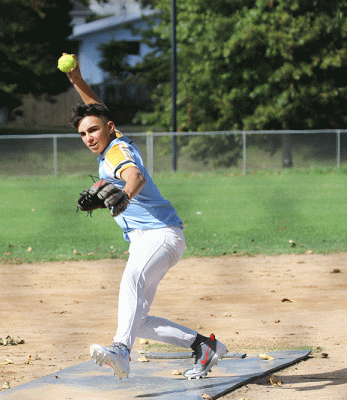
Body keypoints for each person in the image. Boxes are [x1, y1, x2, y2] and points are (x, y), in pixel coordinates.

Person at [63, 53, 228, 380]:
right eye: (83, 135)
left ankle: (121, 351)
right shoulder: (112, 143)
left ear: (109, 129)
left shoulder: (118, 151)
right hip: (142, 241)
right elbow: (97, 110)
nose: (89, 138)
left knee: (131, 281)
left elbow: (134, 177)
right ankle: (203, 347)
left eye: (93, 131)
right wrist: (77, 81)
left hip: (161, 234)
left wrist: (123, 194)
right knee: (136, 317)